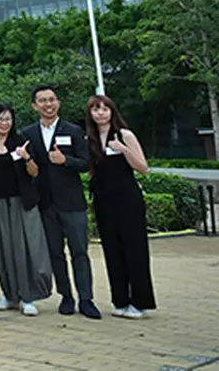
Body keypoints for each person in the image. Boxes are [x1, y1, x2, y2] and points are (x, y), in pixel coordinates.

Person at [21, 85, 99, 319]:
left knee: (80, 253)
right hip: (45, 204)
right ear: (34, 106)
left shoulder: (73, 130)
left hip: (72, 203)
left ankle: (86, 299)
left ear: (58, 103)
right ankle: (66, 296)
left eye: (51, 99)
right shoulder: (29, 134)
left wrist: (65, 160)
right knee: (55, 253)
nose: (48, 104)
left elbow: (86, 164)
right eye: (42, 101)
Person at [85, 94, 155, 319]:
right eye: (96, 109)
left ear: (112, 111)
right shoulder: (90, 139)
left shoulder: (124, 135)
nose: (100, 113)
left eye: (105, 109)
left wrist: (123, 149)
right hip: (104, 201)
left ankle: (140, 301)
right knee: (112, 250)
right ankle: (121, 299)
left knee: (134, 250)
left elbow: (143, 167)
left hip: (128, 200)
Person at [0, 103, 51, 316]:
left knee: (26, 249)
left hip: (21, 203)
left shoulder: (22, 141)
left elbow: (35, 172)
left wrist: (26, 156)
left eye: (8, 119)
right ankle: (10, 295)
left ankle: (28, 297)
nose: (4, 123)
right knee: (3, 250)